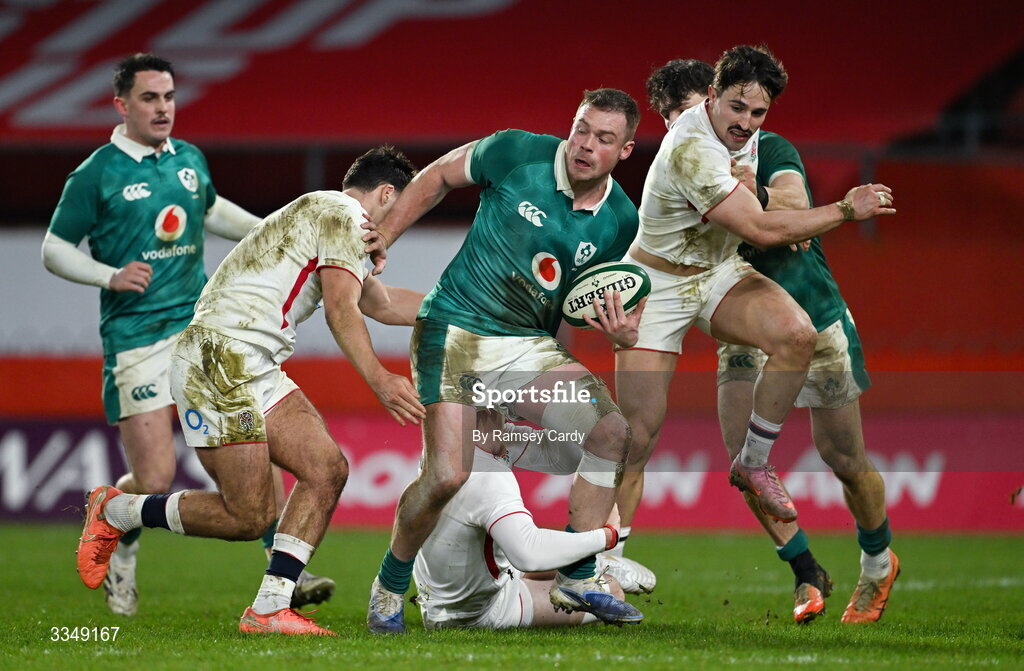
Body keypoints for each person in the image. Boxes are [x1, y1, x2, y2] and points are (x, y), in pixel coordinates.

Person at [74, 146, 426, 636]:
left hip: (248, 362)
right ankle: (117, 509)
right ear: (387, 194)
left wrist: (459, 308)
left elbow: (382, 304)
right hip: (220, 360)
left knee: (326, 469)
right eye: (406, 206)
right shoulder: (345, 215)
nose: (404, 220)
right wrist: (381, 378)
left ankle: (269, 608)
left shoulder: (322, 213)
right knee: (248, 516)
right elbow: (341, 309)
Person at [41, 53, 334, 617]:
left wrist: (277, 231)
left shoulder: (188, 160)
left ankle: (283, 575)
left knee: (259, 448)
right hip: (137, 339)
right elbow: (53, 247)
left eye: (169, 97)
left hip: (203, 332)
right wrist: (110, 275)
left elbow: (210, 210)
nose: (162, 108)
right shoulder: (96, 173)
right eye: (150, 98)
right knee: (154, 475)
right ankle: (119, 540)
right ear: (121, 105)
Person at [362, 88, 648, 633]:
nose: (585, 145)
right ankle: (389, 586)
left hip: (524, 343)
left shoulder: (620, 220)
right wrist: (384, 239)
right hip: (456, 327)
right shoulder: (517, 151)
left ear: (626, 150)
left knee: (610, 433)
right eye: (581, 128)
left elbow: (581, 301)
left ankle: (578, 576)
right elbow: (441, 175)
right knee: (447, 477)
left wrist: (620, 332)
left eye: (603, 138)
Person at [613, 47, 896, 536]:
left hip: (717, 270)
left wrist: (765, 195)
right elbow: (763, 231)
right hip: (660, 284)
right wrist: (847, 210)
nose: (745, 122)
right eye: (736, 108)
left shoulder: (760, 142)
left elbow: (793, 206)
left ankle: (755, 462)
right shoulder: (691, 148)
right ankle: (600, 568)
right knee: (636, 438)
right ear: (712, 97)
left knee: (796, 334)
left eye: (757, 112)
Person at [719, 129, 898, 624]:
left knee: (844, 457)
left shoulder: (767, 149)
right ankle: (806, 571)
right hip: (744, 326)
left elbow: (795, 201)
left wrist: (744, 194)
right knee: (743, 466)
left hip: (815, 316)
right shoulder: (679, 168)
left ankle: (879, 563)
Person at [414, 411, 655, 630]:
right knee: (612, 588)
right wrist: (606, 537)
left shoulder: (457, 446)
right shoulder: (488, 475)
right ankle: (600, 565)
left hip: (446, 595)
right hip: (477, 613)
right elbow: (529, 553)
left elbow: (571, 456)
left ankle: (597, 564)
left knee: (521, 557)